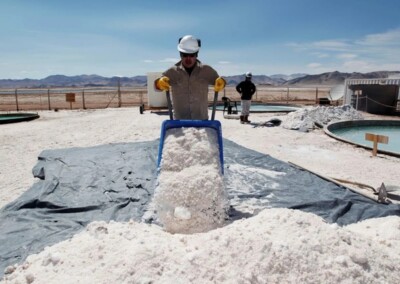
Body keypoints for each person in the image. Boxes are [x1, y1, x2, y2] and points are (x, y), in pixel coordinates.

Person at [154, 35, 226, 120]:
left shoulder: (207, 70)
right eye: (185, 55)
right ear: (180, 54)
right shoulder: (172, 72)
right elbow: (156, 87)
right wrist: (159, 84)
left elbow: (221, 82)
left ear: (196, 54)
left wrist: (222, 83)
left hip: (202, 122)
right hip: (179, 123)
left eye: (192, 55)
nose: (188, 59)